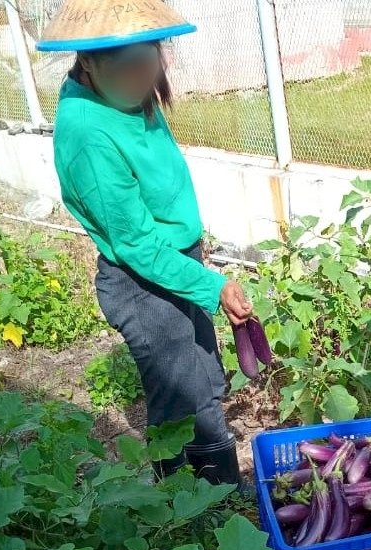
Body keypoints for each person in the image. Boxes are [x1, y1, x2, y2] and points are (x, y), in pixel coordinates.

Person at [38, 0, 253, 483]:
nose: (141, 77)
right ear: (87, 61)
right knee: (183, 401)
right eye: (127, 67)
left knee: (204, 377)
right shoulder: (89, 134)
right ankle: (191, 507)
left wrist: (197, 262)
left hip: (173, 265)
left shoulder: (129, 96)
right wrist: (210, 284)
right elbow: (135, 243)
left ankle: (212, 495)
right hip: (142, 281)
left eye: (148, 61)